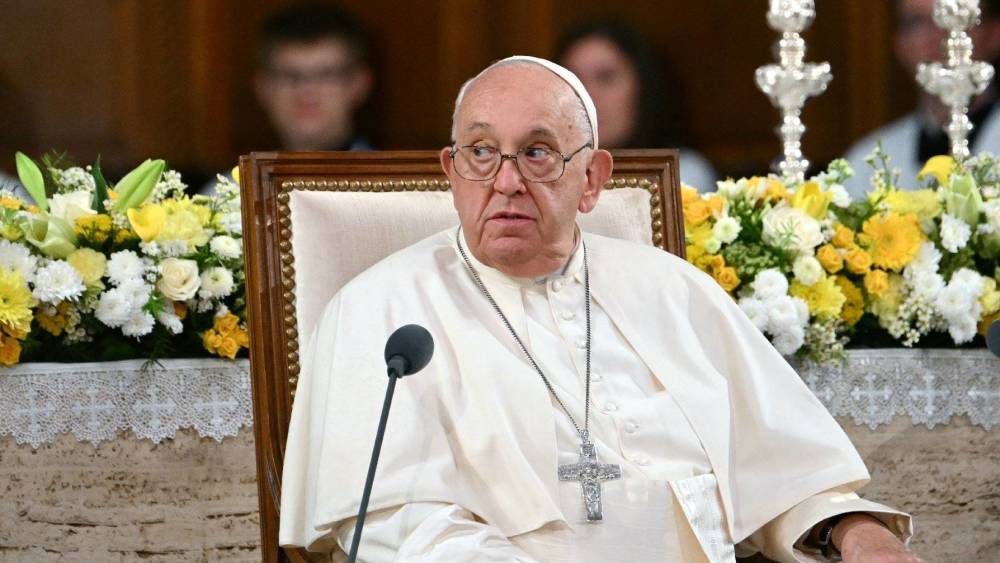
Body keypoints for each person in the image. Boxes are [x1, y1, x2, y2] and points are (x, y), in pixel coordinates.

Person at [279, 56, 922, 562]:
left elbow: (783, 471)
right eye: (481, 152)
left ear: (591, 180)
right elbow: (397, 526)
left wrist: (858, 534)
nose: (506, 181)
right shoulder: (382, 312)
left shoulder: (675, 291)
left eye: (536, 152)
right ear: (451, 170)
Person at [201, 2, 374, 193]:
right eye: (290, 75)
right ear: (263, 86)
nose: (307, 91)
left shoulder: (398, 190)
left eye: (325, 74)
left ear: (359, 83)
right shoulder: (224, 198)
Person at [842, 0, 1000, 199]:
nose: (938, 35)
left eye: (955, 19)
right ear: (899, 44)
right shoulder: (865, 163)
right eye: (917, 21)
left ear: (994, 33)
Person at [556, 21, 718, 192]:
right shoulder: (540, 175)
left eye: (605, 78)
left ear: (644, 89)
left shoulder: (683, 173)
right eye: (573, 80)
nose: (587, 94)